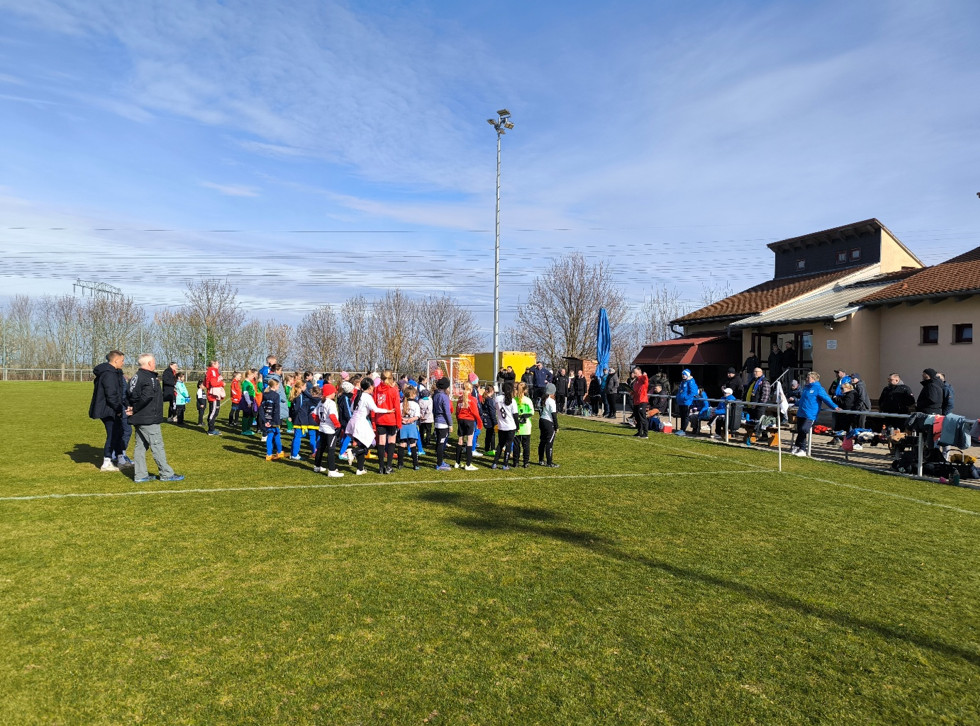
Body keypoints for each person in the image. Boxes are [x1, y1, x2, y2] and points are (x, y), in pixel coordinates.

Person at [127, 353, 183, 483]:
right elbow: (146, 397)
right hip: (148, 418)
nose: (155, 364)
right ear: (149, 364)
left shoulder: (135, 377)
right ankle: (166, 473)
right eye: (154, 362)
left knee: (140, 447)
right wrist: (135, 408)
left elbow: (129, 394)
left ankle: (140, 475)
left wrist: (131, 407)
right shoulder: (149, 379)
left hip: (139, 418)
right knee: (157, 445)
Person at [89, 350, 130, 472]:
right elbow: (111, 394)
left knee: (119, 432)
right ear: (116, 360)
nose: (123, 363)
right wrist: (118, 409)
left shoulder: (114, 372)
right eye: (122, 360)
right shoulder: (109, 374)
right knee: (112, 434)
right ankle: (107, 462)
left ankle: (120, 459)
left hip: (112, 408)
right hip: (108, 410)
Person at [345, 378, 394, 475]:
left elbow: (351, 408)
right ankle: (353, 452)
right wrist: (387, 411)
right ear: (370, 387)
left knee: (362, 444)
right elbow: (375, 409)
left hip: (353, 421)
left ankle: (359, 469)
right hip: (360, 422)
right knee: (372, 443)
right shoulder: (367, 397)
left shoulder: (357, 395)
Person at [791, 372, 839, 457]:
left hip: (810, 414)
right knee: (800, 430)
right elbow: (803, 400)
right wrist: (795, 404)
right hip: (801, 412)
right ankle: (799, 447)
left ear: (813, 379)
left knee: (804, 429)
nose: (806, 379)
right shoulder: (806, 388)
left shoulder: (818, 388)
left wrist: (834, 407)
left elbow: (826, 399)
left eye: (808, 377)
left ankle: (800, 447)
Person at [373, 370, 402, 475]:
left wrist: (373, 420)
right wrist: (399, 422)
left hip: (380, 419)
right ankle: (388, 466)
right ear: (391, 378)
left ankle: (381, 467)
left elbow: (374, 405)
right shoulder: (393, 390)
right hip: (391, 419)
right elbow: (397, 408)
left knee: (381, 442)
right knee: (391, 442)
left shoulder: (376, 389)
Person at [313, 383, 343, 477]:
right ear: (330, 393)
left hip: (322, 428)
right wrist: (338, 426)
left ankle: (317, 466)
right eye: (333, 392)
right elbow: (332, 415)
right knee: (331, 449)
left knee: (321, 448)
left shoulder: (321, 402)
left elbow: (314, 414)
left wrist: (319, 422)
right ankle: (332, 470)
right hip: (330, 430)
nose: (335, 394)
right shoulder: (331, 403)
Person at [454, 382, 483, 471]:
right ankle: (468, 464)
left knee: (460, 441)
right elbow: (475, 412)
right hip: (469, 421)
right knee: (469, 441)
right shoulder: (472, 399)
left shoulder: (460, 399)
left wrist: (458, 419)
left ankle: (457, 462)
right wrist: (480, 423)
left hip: (461, 420)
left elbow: (457, 411)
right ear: (471, 390)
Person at [492, 381, 519, 470]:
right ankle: (505, 464)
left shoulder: (497, 398)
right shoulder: (513, 401)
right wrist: (517, 426)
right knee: (508, 445)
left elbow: (495, 408)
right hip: (510, 426)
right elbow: (515, 415)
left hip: (501, 425)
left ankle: (495, 463)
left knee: (500, 444)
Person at [289, 384, 319, 460]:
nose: (306, 388)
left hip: (301, 420)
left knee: (298, 436)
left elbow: (293, 409)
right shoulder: (302, 397)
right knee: (298, 437)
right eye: (305, 386)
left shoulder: (300, 397)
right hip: (302, 420)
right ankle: (295, 454)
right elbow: (299, 409)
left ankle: (293, 453)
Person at [258, 378, 285, 461]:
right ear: (275, 386)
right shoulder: (276, 396)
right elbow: (276, 410)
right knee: (271, 436)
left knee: (276, 435)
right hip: (273, 420)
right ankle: (269, 454)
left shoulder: (265, 394)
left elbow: (261, 408)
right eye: (278, 386)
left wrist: (265, 420)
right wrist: (273, 421)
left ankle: (279, 452)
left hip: (266, 419)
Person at [398, 386, 422, 470]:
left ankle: (400, 464)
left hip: (403, 426)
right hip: (411, 426)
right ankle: (415, 464)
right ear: (413, 394)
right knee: (413, 445)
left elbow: (398, 415)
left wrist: (402, 420)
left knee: (402, 444)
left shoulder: (401, 404)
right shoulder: (415, 404)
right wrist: (411, 419)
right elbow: (417, 416)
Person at [432, 377, 454, 471]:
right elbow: (447, 412)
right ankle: (439, 463)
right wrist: (450, 424)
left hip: (437, 421)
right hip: (443, 423)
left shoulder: (435, 395)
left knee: (438, 442)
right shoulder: (444, 397)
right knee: (441, 443)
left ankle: (440, 461)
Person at [538, 382, 560, 467]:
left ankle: (541, 460)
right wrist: (556, 426)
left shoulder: (543, 399)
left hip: (542, 420)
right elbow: (554, 415)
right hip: (548, 422)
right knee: (549, 443)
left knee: (542, 441)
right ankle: (549, 462)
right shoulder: (551, 401)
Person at [513, 381, 534, 468]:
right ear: (525, 390)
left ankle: (516, 462)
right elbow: (531, 412)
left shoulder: (514, 400)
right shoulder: (528, 400)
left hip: (516, 425)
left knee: (516, 445)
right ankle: (526, 462)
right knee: (526, 445)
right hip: (526, 426)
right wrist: (524, 416)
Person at [674, 368, 698, 436]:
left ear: (687, 375)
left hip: (687, 402)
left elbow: (693, 392)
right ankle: (681, 429)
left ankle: (683, 430)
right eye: (682, 374)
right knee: (682, 416)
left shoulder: (691, 382)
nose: (683, 375)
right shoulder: (683, 382)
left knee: (685, 416)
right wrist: (678, 397)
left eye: (684, 374)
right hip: (681, 402)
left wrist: (685, 398)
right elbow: (680, 391)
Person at [204, 360, 225, 436]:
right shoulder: (212, 371)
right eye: (218, 363)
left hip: (214, 395)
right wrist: (221, 383)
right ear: (213, 364)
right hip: (213, 396)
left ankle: (212, 428)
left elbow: (205, 383)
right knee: (213, 412)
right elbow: (213, 383)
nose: (219, 365)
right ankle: (211, 430)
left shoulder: (212, 371)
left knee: (215, 412)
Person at [631, 366, 649, 438]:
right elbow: (635, 391)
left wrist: (645, 375)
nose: (634, 374)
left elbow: (646, 380)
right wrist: (631, 393)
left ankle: (645, 433)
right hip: (636, 401)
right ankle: (639, 431)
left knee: (642, 417)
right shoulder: (636, 381)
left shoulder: (642, 378)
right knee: (637, 417)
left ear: (639, 372)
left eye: (635, 372)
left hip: (642, 401)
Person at [240, 369, 258, 435]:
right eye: (252, 375)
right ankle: (244, 430)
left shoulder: (249, 382)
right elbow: (245, 393)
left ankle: (248, 428)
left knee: (251, 415)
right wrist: (248, 402)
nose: (253, 377)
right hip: (247, 400)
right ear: (248, 375)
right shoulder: (245, 383)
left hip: (251, 399)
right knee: (246, 415)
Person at [481, 384, 498, 456]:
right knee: (491, 435)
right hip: (490, 419)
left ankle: (487, 448)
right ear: (492, 391)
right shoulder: (489, 400)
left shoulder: (485, 398)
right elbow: (492, 412)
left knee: (488, 434)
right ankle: (492, 449)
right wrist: (495, 422)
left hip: (485, 419)